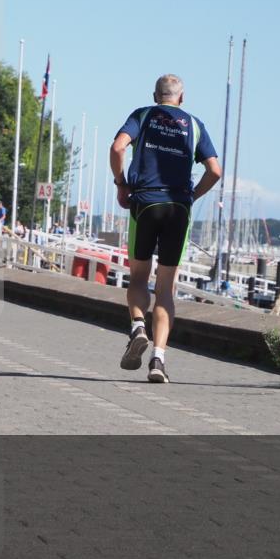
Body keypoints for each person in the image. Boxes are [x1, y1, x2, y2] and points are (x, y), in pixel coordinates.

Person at [111, 74, 221, 383]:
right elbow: (215, 170)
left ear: (155, 95)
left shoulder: (142, 115)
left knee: (139, 276)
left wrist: (122, 185)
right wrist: (191, 196)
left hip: (145, 202)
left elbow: (118, 147)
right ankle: (158, 360)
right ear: (181, 99)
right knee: (166, 288)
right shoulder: (195, 124)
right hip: (178, 207)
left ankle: (137, 327)